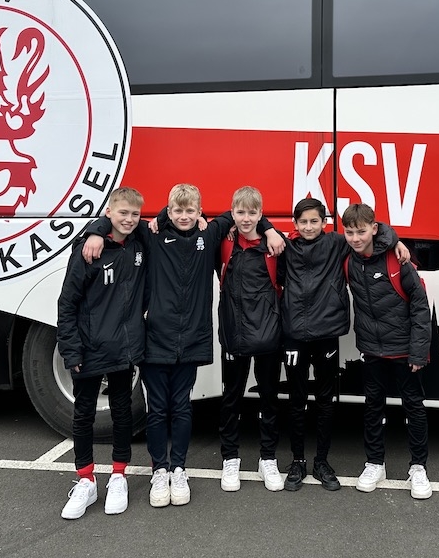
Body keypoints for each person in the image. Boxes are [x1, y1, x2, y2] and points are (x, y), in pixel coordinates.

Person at [82, 183, 283, 508]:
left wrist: (270, 228)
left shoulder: (210, 234)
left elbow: (243, 215)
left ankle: (179, 469)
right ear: (169, 211)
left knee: (182, 408)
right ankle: (159, 471)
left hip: (190, 341)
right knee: (158, 410)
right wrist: (95, 230)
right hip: (156, 340)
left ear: (200, 211)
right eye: (178, 210)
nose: (185, 216)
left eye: (191, 210)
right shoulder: (153, 235)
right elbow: (122, 221)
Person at [278, 197, 409, 493]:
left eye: (314, 221)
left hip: (327, 333)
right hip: (294, 334)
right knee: (297, 400)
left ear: (324, 223)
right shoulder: (286, 247)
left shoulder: (337, 242)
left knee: (326, 400)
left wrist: (397, 241)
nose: (309, 227)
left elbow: (373, 231)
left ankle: (321, 461)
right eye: (303, 222)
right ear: (295, 224)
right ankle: (297, 461)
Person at [56, 187, 148, 519]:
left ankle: (119, 475)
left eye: (135, 214)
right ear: (108, 213)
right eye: (123, 212)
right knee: (84, 415)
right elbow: (67, 304)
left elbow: (167, 222)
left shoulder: (139, 245)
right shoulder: (88, 250)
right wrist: (71, 351)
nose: (129, 219)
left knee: (123, 413)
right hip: (90, 348)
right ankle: (86, 480)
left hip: (124, 349)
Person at [341, 202, 432, 500]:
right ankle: (374, 463)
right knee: (373, 407)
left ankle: (418, 468)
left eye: (361, 231)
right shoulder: (348, 259)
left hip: (404, 350)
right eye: (350, 232)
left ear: (374, 229)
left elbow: (420, 307)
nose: (355, 238)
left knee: (413, 407)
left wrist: (418, 352)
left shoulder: (398, 259)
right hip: (371, 349)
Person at [216, 186, 285, 493]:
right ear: (232, 212)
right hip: (234, 334)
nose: (246, 218)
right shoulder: (224, 242)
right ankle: (230, 459)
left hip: (269, 336)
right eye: (240, 212)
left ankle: (267, 458)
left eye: (252, 213)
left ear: (261, 213)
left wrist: (269, 229)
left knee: (269, 399)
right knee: (231, 399)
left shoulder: (275, 246)